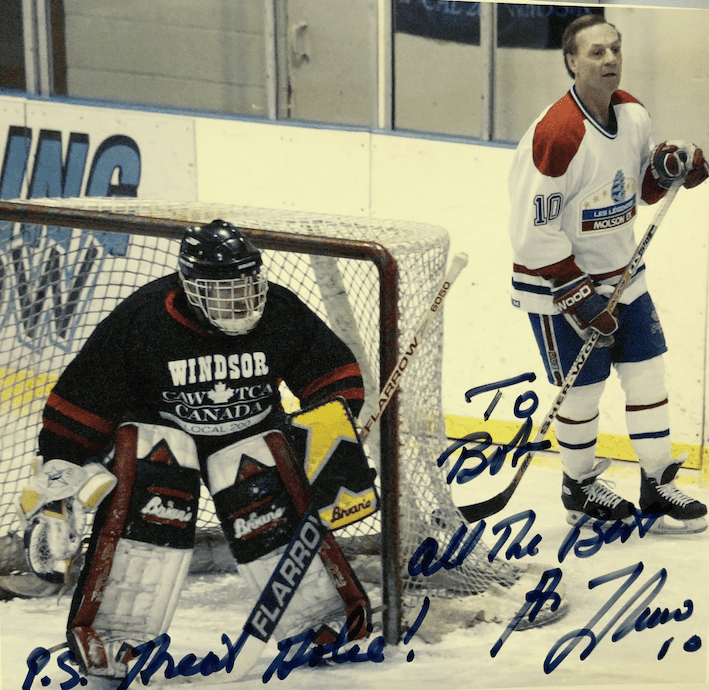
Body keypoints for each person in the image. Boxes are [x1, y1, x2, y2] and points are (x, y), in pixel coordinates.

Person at [19, 219, 371, 680]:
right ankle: (113, 633)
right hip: (167, 443)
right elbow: (82, 402)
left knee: (265, 466)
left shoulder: (281, 310)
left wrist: (332, 435)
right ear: (189, 286)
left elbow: (333, 375)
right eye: (223, 291)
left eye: (247, 287)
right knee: (156, 457)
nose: (240, 302)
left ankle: (320, 621)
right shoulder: (144, 319)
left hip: (252, 440)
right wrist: (56, 484)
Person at [507, 14, 709, 535]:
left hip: (623, 274)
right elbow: (532, 233)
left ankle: (657, 483)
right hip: (557, 287)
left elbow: (637, 188)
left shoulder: (633, 113)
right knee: (584, 391)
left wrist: (666, 168)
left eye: (616, 49)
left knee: (647, 375)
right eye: (596, 52)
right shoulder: (557, 134)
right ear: (571, 62)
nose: (611, 60)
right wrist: (577, 296)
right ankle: (579, 486)